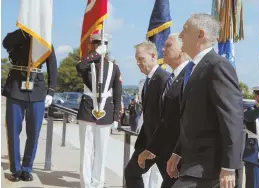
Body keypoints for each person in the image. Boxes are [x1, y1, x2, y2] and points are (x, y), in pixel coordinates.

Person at [167, 13, 245, 188]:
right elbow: (192, 118)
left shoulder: (218, 66)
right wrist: (177, 152)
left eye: (185, 30)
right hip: (193, 164)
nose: (180, 35)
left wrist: (229, 166)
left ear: (200, 35)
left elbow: (232, 118)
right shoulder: (195, 68)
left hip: (211, 170)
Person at [2, 29, 57, 182]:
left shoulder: (44, 39)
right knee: (13, 131)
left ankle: (27, 168)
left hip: (37, 89)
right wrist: (25, 32)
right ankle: (15, 169)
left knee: (34, 132)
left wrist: (51, 91)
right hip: (15, 87)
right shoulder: (17, 35)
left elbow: (52, 65)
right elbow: (5, 43)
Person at [137, 33, 190, 188]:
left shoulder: (189, 76)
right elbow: (166, 118)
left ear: (181, 50)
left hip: (182, 156)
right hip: (169, 153)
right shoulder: (174, 77)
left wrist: (178, 153)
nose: (162, 49)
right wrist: (151, 148)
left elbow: (188, 120)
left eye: (168, 45)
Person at [76, 31, 122, 188]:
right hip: (88, 109)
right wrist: (95, 54)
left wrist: (116, 117)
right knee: (86, 151)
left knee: (101, 151)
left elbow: (117, 95)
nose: (101, 46)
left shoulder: (114, 68)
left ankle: (98, 183)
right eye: (97, 44)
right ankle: (85, 183)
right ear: (93, 45)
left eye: (103, 45)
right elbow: (79, 66)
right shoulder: (87, 64)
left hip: (106, 111)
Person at [124, 41, 170, 188]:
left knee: (170, 183)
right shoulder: (145, 82)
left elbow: (167, 116)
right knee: (131, 172)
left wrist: (156, 146)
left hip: (162, 144)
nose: (138, 63)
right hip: (147, 142)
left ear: (153, 56)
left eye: (141, 59)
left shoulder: (164, 79)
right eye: (136, 59)